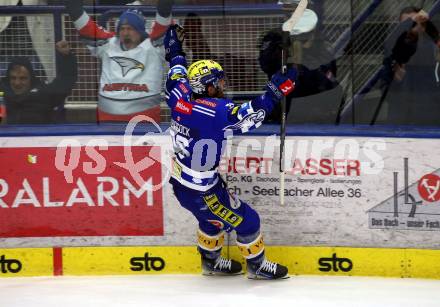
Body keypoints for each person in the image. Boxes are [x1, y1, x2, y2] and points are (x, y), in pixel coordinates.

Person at [164, 24, 297, 279]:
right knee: (249, 221)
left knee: (211, 221)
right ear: (209, 86)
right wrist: (276, 91)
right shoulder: (216, 111)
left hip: (183, 184)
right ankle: (257, 267)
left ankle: (210, 262)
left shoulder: (178, 94)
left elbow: (176, 70)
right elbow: (252, 116)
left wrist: (175, 50)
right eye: (219, 82)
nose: (223, 85)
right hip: (203, 191)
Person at [65, 0, 173, 122]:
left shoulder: (155, 47)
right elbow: (80, 20)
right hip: (108, 120)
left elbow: (164, 13)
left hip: (145, 121)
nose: (125, 33)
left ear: (140, 30)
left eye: (131, 28)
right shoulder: (107, 45)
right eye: (122, 28)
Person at [258, 9, 342, 124]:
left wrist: (305, 53)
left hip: (315, 112)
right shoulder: (275, 39)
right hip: (285, 111)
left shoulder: (320, 43)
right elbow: (266, 65)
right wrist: (287, 51)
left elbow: (330, 83)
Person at [381, 6, 440, 125]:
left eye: (415, 23)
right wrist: (412, 22)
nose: (409, 28)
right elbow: (385, 85)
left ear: (423, 27)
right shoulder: (393, 51)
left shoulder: (433, 48)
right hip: (399, 118)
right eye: (405, 25)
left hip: (429, 120)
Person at [0, 40, 77, 124]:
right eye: (13, 78)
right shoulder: (2, 92)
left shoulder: (43, 93)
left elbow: (65, 82)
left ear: (31, 79)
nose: (17, 83)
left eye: (23, 78)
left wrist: (66, 57)